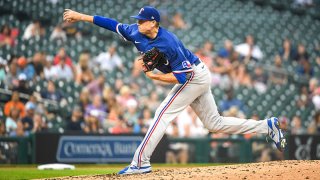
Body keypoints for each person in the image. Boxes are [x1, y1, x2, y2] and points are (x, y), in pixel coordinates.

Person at [63, 6, 286, 175]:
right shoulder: (135, 32)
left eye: (142, 20)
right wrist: (81, 16)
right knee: (214, 123)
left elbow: (183, 76)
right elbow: (111, 24)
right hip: (197, 74)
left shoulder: (169, 42)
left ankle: (140, 163)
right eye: (138, 20)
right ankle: (267, 126)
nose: (138, 23)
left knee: (162, 114)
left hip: (194, 76)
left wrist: (155, 76)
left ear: (154, 23)